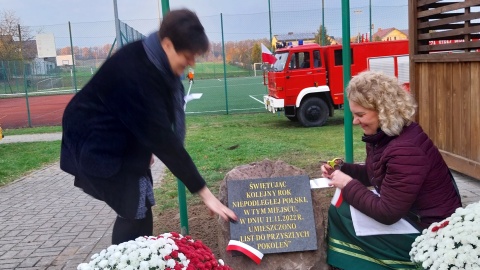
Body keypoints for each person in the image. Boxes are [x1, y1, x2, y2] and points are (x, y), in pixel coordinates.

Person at [60, 8, 237, 245]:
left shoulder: (155, 61)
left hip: (120, 133)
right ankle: (124, 261)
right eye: (187, 55)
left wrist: (147, 145)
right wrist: (206, 195)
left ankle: (140, 258)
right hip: (95, 142)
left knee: (140, 205)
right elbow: (164, 140)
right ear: (167, 45)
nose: (191, 62)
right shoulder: (137, 73)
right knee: (133, 208)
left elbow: (155, 121)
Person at [322, 71, 462, 270]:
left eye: (360, 115)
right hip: (416, 217)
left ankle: (386, 263)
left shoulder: (405, 149)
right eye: (354, 114)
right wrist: (342, 169)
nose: (355, 121)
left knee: (343, 211)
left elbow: (387, 213)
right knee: (342, 207)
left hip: (432, 231)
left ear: (383, 111)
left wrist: (347, 183)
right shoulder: (387, 135)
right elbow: (374, 173)